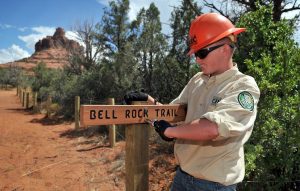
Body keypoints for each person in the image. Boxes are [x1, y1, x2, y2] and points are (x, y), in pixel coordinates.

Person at [124, 13, 260, 191]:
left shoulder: (243, 86)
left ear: (225, 48)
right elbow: (174, 113)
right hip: (182, 177)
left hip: (215, 186)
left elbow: (212, 128)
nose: (197, 60)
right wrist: (149, 101)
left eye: (202, 53)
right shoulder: (198, 80)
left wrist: (171, 132)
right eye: (196, 53)